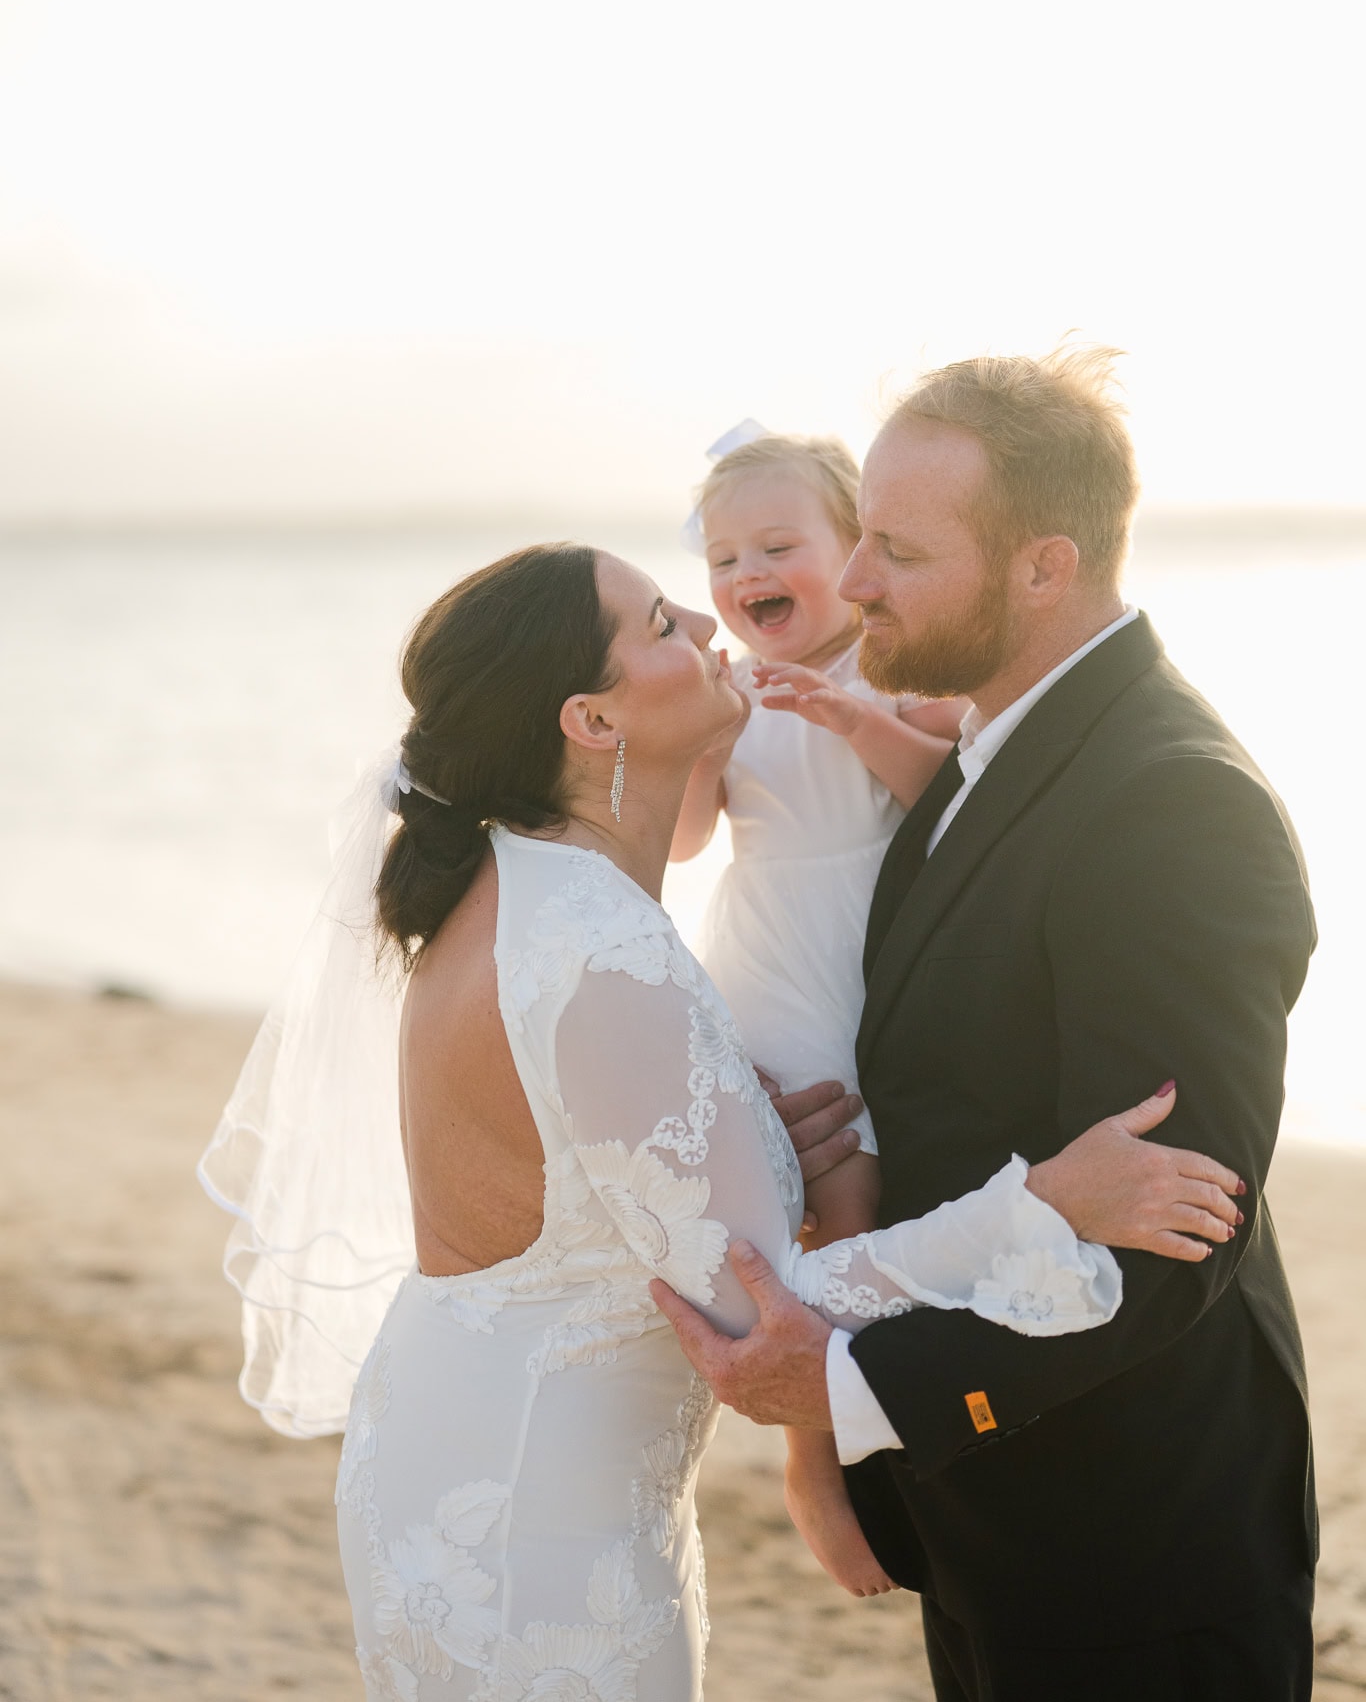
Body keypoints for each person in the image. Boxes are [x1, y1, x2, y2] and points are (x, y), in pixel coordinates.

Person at [200, 541, 1245, 1702]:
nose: (704, 619)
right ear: (593, 720)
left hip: (468, 1451)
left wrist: (749, 1142)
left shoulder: (516, 886)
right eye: (657, 622)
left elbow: (571, 1177)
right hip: (533, 1511)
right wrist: (1042, 1204)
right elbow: (764, 1312)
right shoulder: (601, 948)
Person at [653, 350, 1317, 1702]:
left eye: (893, 550)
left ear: (1040, 568)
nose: (847, 587)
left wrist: (853, 1388)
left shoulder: (1169, 803)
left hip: (1129, 1540)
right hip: (989, 1510)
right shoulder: (976, 753)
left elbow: (1174, 1233)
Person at [670, 425, 962, 1589]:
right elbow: (689, 837)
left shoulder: (898, 667)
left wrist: (847, 714)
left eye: (777, 545)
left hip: (879, 959)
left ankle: (899, 1426)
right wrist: (706, 744)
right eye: (723, 557)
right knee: (831, 1199)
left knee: (899, 1197)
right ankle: (815, 1455)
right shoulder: (732, 693)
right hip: (774, 962)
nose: (746, 576)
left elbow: (944, 789)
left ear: (852, 550)